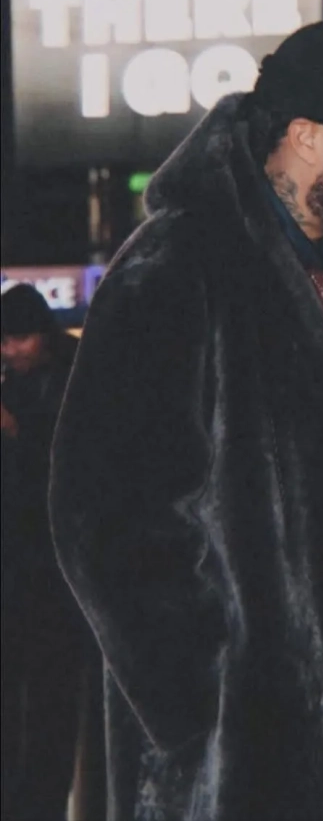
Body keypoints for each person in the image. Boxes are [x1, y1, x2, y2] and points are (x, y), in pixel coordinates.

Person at [50, 12, 323, 821]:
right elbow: (106, 513)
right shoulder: (177, 264)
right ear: (306, 135)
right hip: (243, 764)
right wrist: (211, 697)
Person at [1, 284, 85, 821]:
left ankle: (43, 802)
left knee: (54, 691)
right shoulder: (14, 381)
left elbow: (70, 472)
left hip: (56, 572)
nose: (9, 351)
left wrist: (16, 431)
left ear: (44, 337)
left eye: (18, 339)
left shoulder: (74, 379)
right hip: (14, 568)